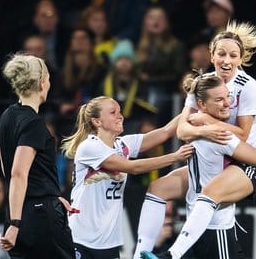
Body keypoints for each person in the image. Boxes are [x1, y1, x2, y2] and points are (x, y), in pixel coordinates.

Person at [133, 21, 256, 258]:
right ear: (211, 54)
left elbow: (244, 134)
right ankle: (140, 254)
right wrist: (204, 129)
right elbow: (183, 131)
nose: (227, 60)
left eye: (233, 55)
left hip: (243, 161)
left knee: (209, 194)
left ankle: (171, 255)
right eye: (221, 53)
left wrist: (205, 122)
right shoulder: (203, 85)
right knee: (157, 187)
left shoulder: (248, 86)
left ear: (240, 58)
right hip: (216, 152)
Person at [151, 74, 256, 259]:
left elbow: (178, 130)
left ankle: (151, 252)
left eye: (228, 98)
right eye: (220, 99)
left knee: (156, 188)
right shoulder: (222, 134)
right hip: (212, 227)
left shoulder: (192, 125)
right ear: (202, 104)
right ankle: (169, 255)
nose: (227, 104)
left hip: (198, 226)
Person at [61, 96, 193, 259]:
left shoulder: (122, 145)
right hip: (81, 238)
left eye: (120, 112)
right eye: (113, 112)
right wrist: (175, 157)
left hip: (108, 242)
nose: (120, 116)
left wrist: (192, 104)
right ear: (97, 122)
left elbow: (165, 132)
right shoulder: (90, 147)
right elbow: (133, 167)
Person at [0, 53, 75, 257]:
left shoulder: (7, 116)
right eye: (48, 79)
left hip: (19, 212)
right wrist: (16, 223)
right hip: (39, 216)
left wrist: (51, 193)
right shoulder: (34, 123)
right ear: (41, 83)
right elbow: (18, 173)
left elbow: (6, 169)